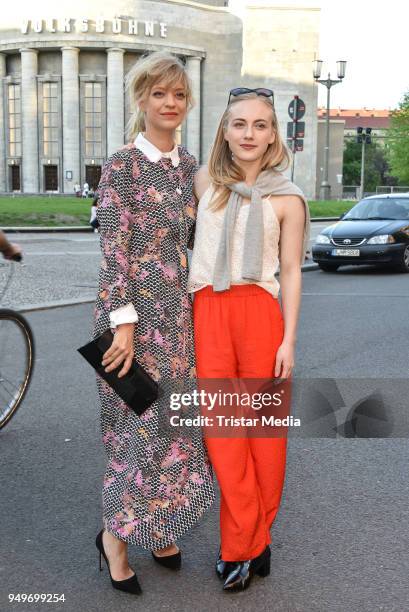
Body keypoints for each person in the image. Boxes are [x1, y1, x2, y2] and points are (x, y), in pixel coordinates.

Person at [92, 51, 214, 595]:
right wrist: (123, 325)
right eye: (159, 93)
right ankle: (114, 540)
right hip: (131, 320)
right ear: (141, 99)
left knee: (175, 433)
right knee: (136, 434)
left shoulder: (189, 167)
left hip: (178, 321)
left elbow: (197, 242)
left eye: (179, 95)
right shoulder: (122, 165)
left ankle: (159, 528)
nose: (170, 103)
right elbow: (113, 249)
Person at [188, 88, 310, 592]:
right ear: (224, 129)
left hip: (261, 315)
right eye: (239, 124)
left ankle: (249, 542)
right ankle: (247, 543)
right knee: (223, 433)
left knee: (263, 436)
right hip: (208, 310)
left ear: (273, 135)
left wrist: (289, 341)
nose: (249, 135)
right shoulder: (202, 183)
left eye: (260, 125)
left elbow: (291, 271)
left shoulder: (288, 197)